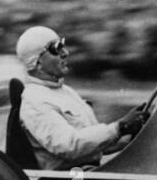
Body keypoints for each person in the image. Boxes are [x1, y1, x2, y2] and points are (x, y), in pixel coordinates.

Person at [14, 25, 148, 170]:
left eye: (63, 46)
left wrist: (132, 134)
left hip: (89, 173)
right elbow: (68, 146)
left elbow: (96, 145)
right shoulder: (34, 101)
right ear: (37, 63)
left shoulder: (66, 91)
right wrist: (120, 127)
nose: (65, 52)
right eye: (56, 48)